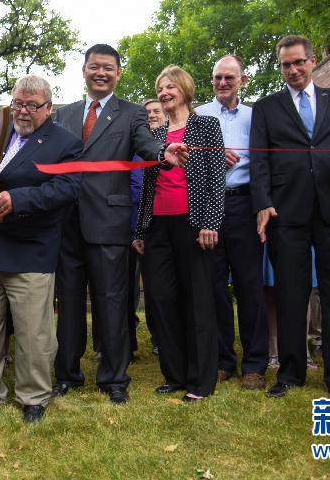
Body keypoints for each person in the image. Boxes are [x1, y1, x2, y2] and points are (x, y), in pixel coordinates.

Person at [52, 44, 176, 405]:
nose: (100, 73)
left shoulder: (133, 114)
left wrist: (161, 154)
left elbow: (145, 143)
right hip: (68, 221)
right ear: (84, 71)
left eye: (108, 67)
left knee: (111, 301)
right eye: (94, 67)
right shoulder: (65, 114)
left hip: (109, 221)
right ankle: (68, 374)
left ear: (118, 73)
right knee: (70, 301)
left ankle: (114, 377)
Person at [250, 35, 330, 400]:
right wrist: (263, 203)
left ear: (312, 61)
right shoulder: (267, 108)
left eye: (299, 62)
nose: (293, 70)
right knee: (290, 294)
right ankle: (290, 373)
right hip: (287, 214)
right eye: (286, 64)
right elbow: (259, 161)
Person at [0, 75, 82, 425]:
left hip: (31, 249)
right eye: (18, 103)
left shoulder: (67, 143)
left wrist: (19, 199)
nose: (23, 111)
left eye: (32, 105)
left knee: (34, 332)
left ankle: (33, 396)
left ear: (48, 108)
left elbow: (68, 188)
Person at [133, 65, 224, 402]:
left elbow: (217, 177)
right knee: (161, 299)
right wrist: (141, 228)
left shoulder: (206, 126)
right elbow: (146, 186)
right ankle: (175, 375)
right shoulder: (154, 137)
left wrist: (211, 222)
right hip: (157, 225)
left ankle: (201, 382)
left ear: (185, 89)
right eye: (160, 88)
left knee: (197, 301)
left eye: (170, 86)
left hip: (193, 222)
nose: (164, 92)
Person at [196, 55, 269, 390]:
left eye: (229, 77)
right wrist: (211, 156)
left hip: (242, 204)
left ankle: (254, 365)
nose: (222, 83)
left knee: (249, 286)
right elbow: (189, 166)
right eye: (216, 78)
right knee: (214, 288)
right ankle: (224, 360)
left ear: (243, 79)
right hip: (208, 206)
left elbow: (266, 165)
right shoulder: (199, 116)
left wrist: (262, 207)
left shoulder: (257, 118)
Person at [128, 98, 166, 358]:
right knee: (126, 288)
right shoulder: (131, 147)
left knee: (157, 287)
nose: (151, 115)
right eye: (147, 112)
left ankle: (161, 337)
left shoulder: (171, 148)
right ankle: (126, 340)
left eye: (156, 111)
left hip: (159, 228)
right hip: (127, 227)